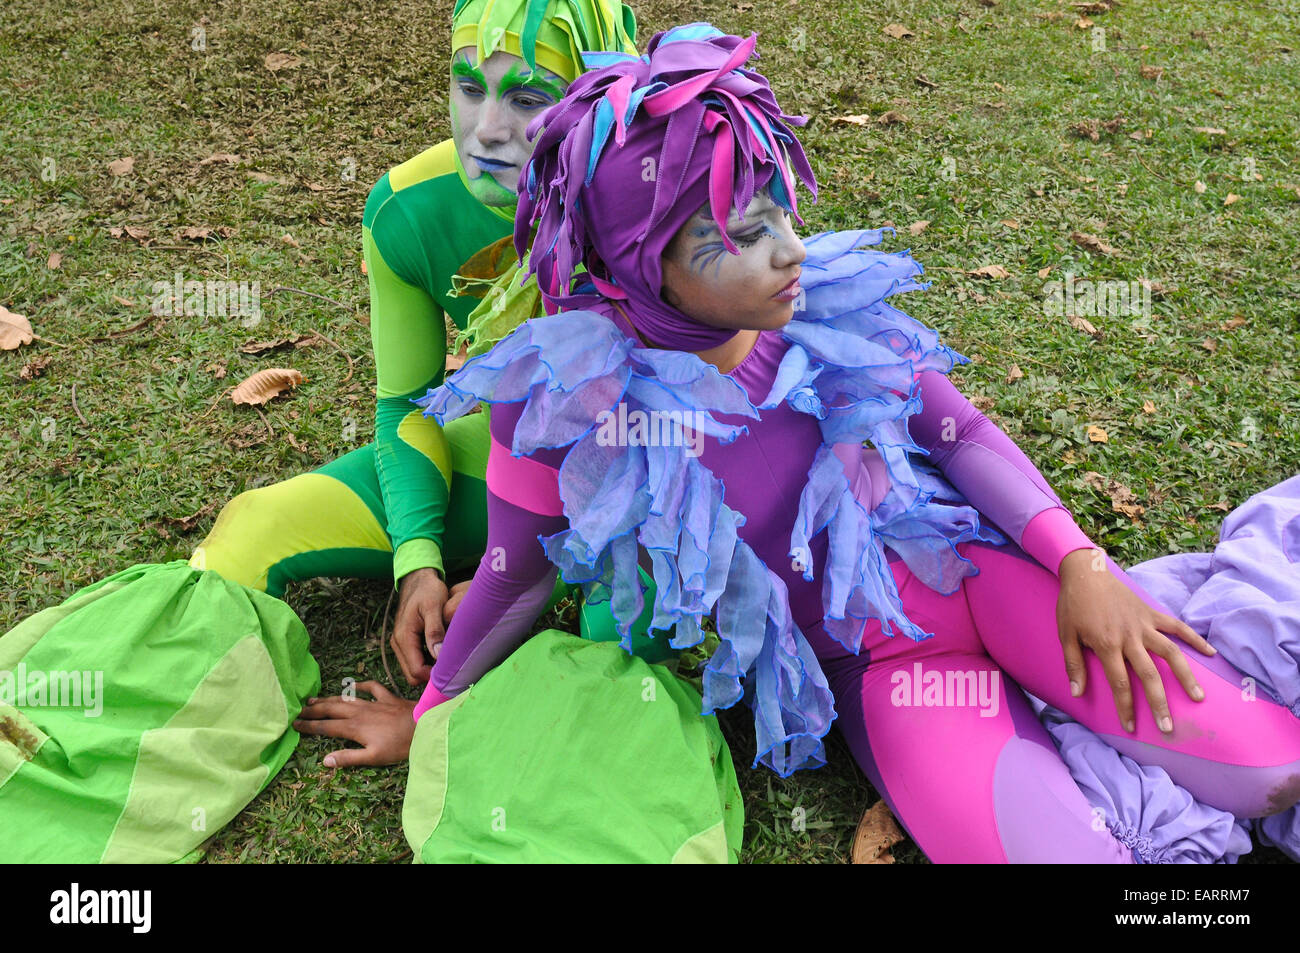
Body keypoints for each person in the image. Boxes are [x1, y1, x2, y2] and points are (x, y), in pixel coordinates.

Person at [398, 23, 1300, 862]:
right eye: (746, 234)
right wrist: (432, 718)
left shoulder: (823, 305)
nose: (793, 249)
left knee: (1271, 775)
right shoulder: (559, 394)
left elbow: (959, 434)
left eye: (783, 209)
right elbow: (519, 575)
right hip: (884, 669)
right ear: (640, 261)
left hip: (980, 573)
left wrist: (1079, 562)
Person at [190, 0, 639, 767]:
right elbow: (405, 402)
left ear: (599, 94)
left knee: (620, 644)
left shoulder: (654, 200)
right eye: (470, 85)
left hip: (637, 484)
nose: (487, 128)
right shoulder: (406, 209)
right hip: (500, 461)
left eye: (527, 98)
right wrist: (419, 559)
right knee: (249, 530)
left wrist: (544, 577)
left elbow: (690, 430)